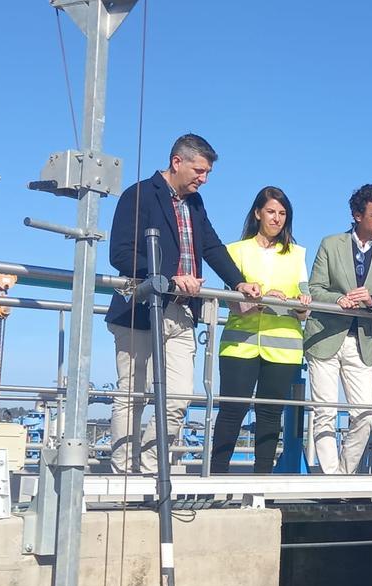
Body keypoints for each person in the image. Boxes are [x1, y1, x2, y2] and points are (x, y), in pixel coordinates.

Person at [105, 133, 261, 474]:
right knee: (132, 393)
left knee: (178, 397)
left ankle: (150, 468)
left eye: (207, 173)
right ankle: (122, 470)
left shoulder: (195, 204)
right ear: (177, 162)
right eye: (199, 171)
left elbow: (212, 247)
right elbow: (120, 253)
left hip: (180, 311)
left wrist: (238, 282)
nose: (203, 179)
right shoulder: (139, 195)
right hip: (140, 308)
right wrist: (169, 275)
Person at [210, 186, 311, 474]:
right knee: (232, 411)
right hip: (240, 344)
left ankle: (260, 486)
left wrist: (294, 303)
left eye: (282, 213)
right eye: (271, 212)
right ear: (257, 213)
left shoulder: (297, 254)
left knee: (270, 415)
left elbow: (304, 309)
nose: (277, 218)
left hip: (283, 347)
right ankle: (215, 479)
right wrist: (266, 300)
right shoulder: (235, 251)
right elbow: (232, 303)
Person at [304, 184, 372, 474]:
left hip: (362, 341)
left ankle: (343, 475)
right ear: (357, 215)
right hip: (325, 335)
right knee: (324, 412)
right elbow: (315, 288)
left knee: (365, 413)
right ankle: (329, 477)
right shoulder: (330, 244)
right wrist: (339, 299)